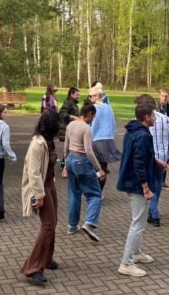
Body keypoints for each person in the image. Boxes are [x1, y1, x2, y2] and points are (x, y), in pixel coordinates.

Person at [117, 103, 158, 277]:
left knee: (139, 222)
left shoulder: (133, 131)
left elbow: (140, 156)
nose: (155, 118)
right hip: (137, 184)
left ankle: (136, 253)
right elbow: (138, 163)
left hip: (133, 182)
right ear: (146, 117)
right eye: (153, 115)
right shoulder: (142, 135)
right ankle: (126, 263)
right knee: (138, 224)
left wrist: (155, 161)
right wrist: (146, 188)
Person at [21, 111, 60, 286]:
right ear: (52, 125)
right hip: (41, 187)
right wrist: (39, 195)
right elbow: (33, 172)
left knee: (53, 222)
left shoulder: (49, 142)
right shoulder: (37, 144)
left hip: (49, 183)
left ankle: (46, 259)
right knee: (48, 225)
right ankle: (33, 267)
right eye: (57, 123)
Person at [63, 103, 105, 242]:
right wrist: (99, 168)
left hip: (70, 159)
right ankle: (89, 223)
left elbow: (66, 145)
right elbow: (88, 150)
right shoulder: (86, 128)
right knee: (95, 195)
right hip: (82, 161)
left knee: (74, 194)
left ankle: (72, 226)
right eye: (93, 117)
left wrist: (65, 164)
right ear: (90, 114)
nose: (93, 119)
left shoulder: (71, 125)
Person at [134, 94, 169, 227]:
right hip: (162, 156)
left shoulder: (138, 120)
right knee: (157, 182)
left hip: (148, 157)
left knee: (148, 184)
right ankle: (153, 210)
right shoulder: (165, 118)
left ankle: (153, 213)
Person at [88, 87, 121, 191]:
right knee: (103, 168)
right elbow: (113, 123)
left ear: (97, 96)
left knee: (95, 168)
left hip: (96, 140)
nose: (89, 98)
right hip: (108, 140)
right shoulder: (108, 107)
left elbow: (89, 124)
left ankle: (95, 192)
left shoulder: (93, 108)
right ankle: (99, 192)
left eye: (91, 96)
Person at [157, 88, 169, 191]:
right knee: (159, 157)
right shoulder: (156, 106)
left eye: (166, 96)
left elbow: (167, 118)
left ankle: (162, 181)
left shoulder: (168, 105)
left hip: (166, 134)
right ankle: (159, 181)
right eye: (163, 96)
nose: (164, 98)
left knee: (166, 157)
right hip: (158, 134)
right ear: (159, 96)